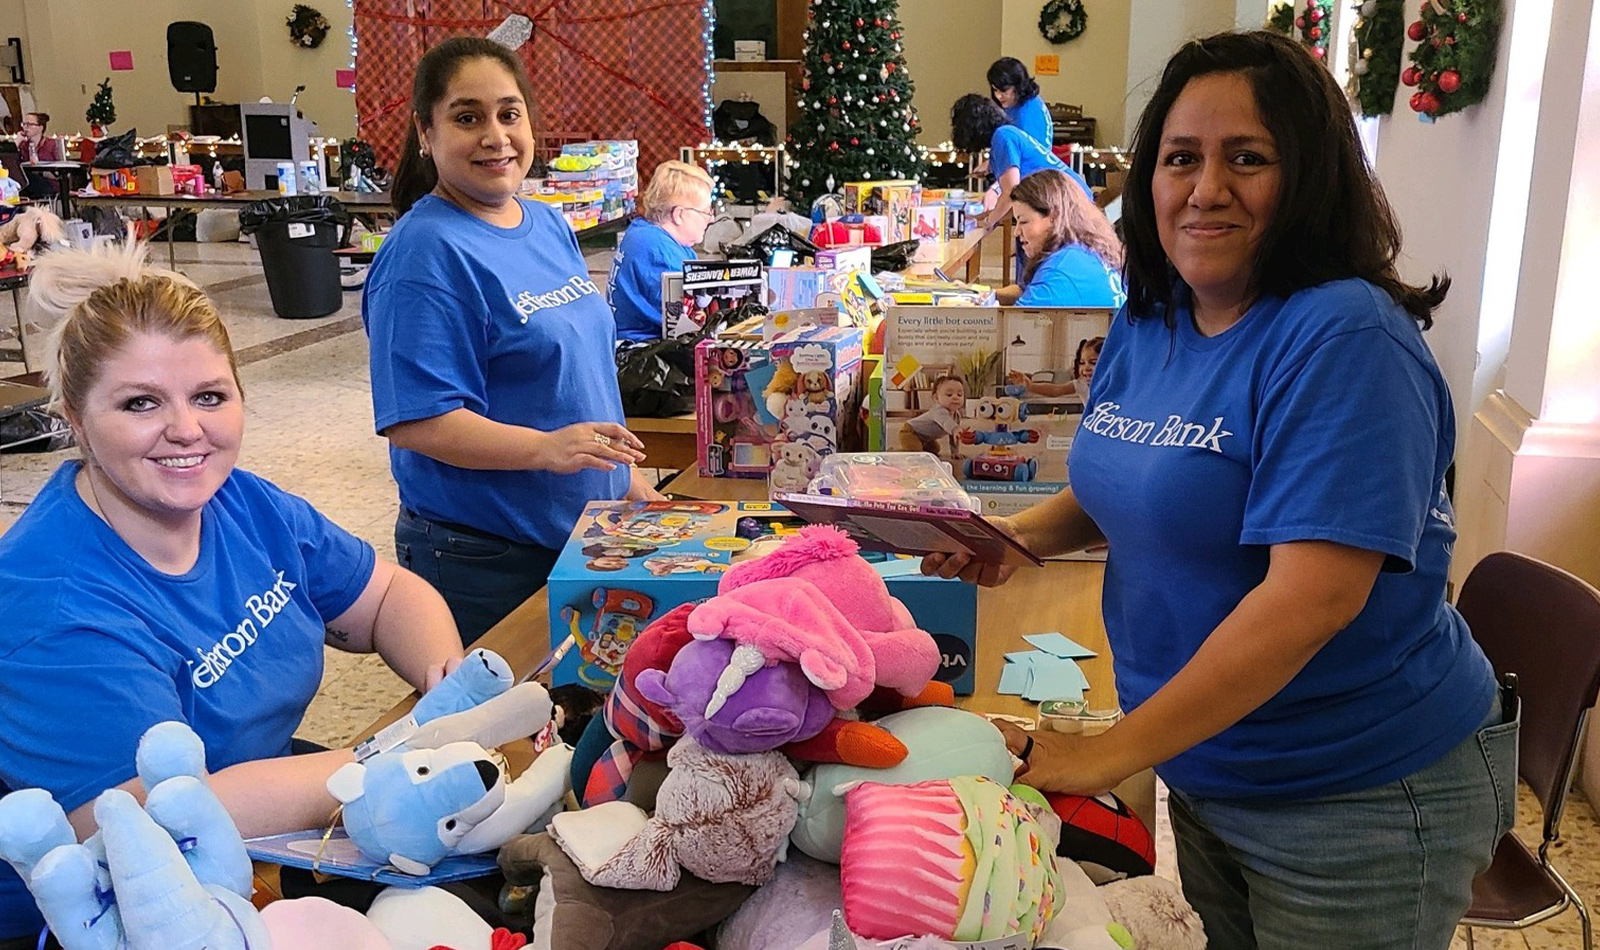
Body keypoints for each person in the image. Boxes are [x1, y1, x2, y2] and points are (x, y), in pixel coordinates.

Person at [926, 31, 1510, 950]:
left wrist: (1107, 755)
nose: (1205, 188)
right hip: (1206, 761)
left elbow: (1309, 599)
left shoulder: (1345, 339)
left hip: (1354, 792)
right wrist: (1009, 538)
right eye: (1180, 159)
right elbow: (1134, 479)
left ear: (1311, 175)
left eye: (1247, 158)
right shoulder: (1155, 317)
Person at [0, 242, 467, 944]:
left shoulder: (238, 502)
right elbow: (151, 817)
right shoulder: (55, 605)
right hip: (130, 903)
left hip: (265, 819)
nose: (187, 431)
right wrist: (382, 770)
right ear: (74, 414)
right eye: (140, 403)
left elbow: (386, 597)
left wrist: (448, 690)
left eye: (209, 396)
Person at [364, 37, 658, 645]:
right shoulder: (424, 254)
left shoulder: (546, 221)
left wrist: (620, 478)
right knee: (506, 733)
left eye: (509, 113)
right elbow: (419, 421)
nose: (495, 135)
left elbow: (576, 371)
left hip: (581, 535)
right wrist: (546, 450)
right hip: (486, 559)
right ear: (426, 131)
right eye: (467, 117)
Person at [950, 93, 1091, 235]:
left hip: (1071, 204)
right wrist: (982, 218)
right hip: (1073, 199)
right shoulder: (1008, 134)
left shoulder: (1003, 137)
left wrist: (987, 223)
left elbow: (1011, 192)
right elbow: (1015, 200)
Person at [608, 160, 717, 343]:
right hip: (643, 352)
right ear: (679, 215)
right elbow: (687, 324)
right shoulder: (659, 254)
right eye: (706, 212)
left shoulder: (642, 231)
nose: (711, 219)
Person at [995, 169, 1124, 308]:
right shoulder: (1084, 251)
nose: (1016, 232)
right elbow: (1025, 290)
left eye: (1024, 221)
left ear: (1054, 216)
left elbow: (1016, 325)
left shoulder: (1059, 272)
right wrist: (984, 295)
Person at [1009, 336, 1103, 400]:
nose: (1086, 368)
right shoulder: (1081, 385)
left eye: (1093, 363)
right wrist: (1031, 386)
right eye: (1082, 363)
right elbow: (1056, 390)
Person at [988, 57, 1054, 147]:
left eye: (1004, 90)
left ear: (1018, 86)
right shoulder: (1016, 103)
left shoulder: (1029, 112)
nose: (998, 96)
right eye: (995, 90)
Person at [897, 374, 966, 456]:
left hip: (926, 438)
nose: (955, 397)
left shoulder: (956, 415)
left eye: (959, 394)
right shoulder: (938, 410)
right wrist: (955, 429)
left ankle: (920, 444)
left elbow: (953, 436)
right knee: (916, 454)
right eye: (949, 394)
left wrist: (955, 452)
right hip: (910, 431)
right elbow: (946, 422)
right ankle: (898, 452)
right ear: (936, 398)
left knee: (935, 449)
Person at [16, 112, 61, 200]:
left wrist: (40, 172)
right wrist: (17, 142)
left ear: (40, 128)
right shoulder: (23, 145)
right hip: (28, 184)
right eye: (24, 124)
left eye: (30, 124)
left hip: (49, 183)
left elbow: (59, 173)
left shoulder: (51, 144)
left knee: (29, 178)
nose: (25, 127)